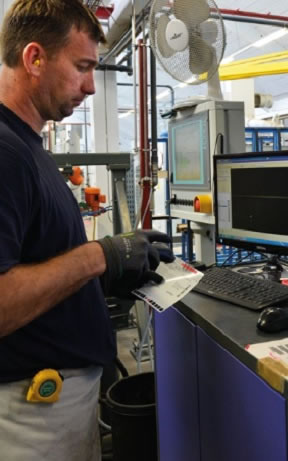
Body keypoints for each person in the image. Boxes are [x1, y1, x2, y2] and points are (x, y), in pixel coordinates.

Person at [0, 0, 174, 459]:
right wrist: (101, 256)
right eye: (81, 67)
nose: (90, 88)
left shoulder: (26, 145)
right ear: (34, 58)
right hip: (31, 416)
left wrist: (103, 275)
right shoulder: (5, 152)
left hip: (54, 405)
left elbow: (34, 260)